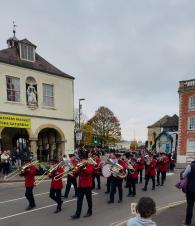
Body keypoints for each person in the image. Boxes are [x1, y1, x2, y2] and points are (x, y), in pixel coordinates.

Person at [71, 148, 94, 219]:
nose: (81, 161)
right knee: (79, 200)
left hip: (87, 185)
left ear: (86, 160)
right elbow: (76, 175)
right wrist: (74, 171)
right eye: (81, 159)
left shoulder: (90, 164)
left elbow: (89, 172)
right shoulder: (80, 165)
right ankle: (77, 214)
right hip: (80, 185)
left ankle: (90, 211)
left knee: (89, 200)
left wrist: (83, 167)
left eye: (82, 159)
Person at [183, 160, 195, 226]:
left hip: (191, 189)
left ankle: (188, 223)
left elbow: (183, 175)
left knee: (190, 206)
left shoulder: (190, 166)